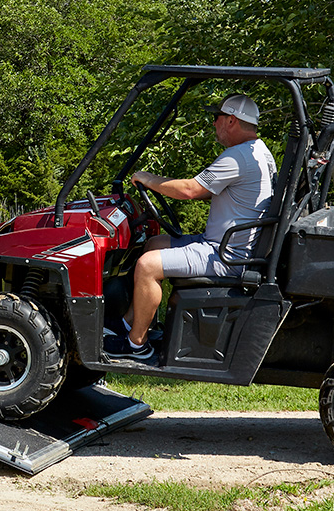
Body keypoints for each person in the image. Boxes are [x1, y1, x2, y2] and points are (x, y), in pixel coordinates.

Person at [104, 93, 277, 363]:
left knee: (147, 266)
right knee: (154, 244)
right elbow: (213, 191)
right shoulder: (260, 153)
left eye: (216, 118)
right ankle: (132, 324)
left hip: (224, 255)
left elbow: (189, 190)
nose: (214, 124)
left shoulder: (237, 157)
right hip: (229, 245)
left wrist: (148, 179)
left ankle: (137, 345)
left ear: (231, 120)